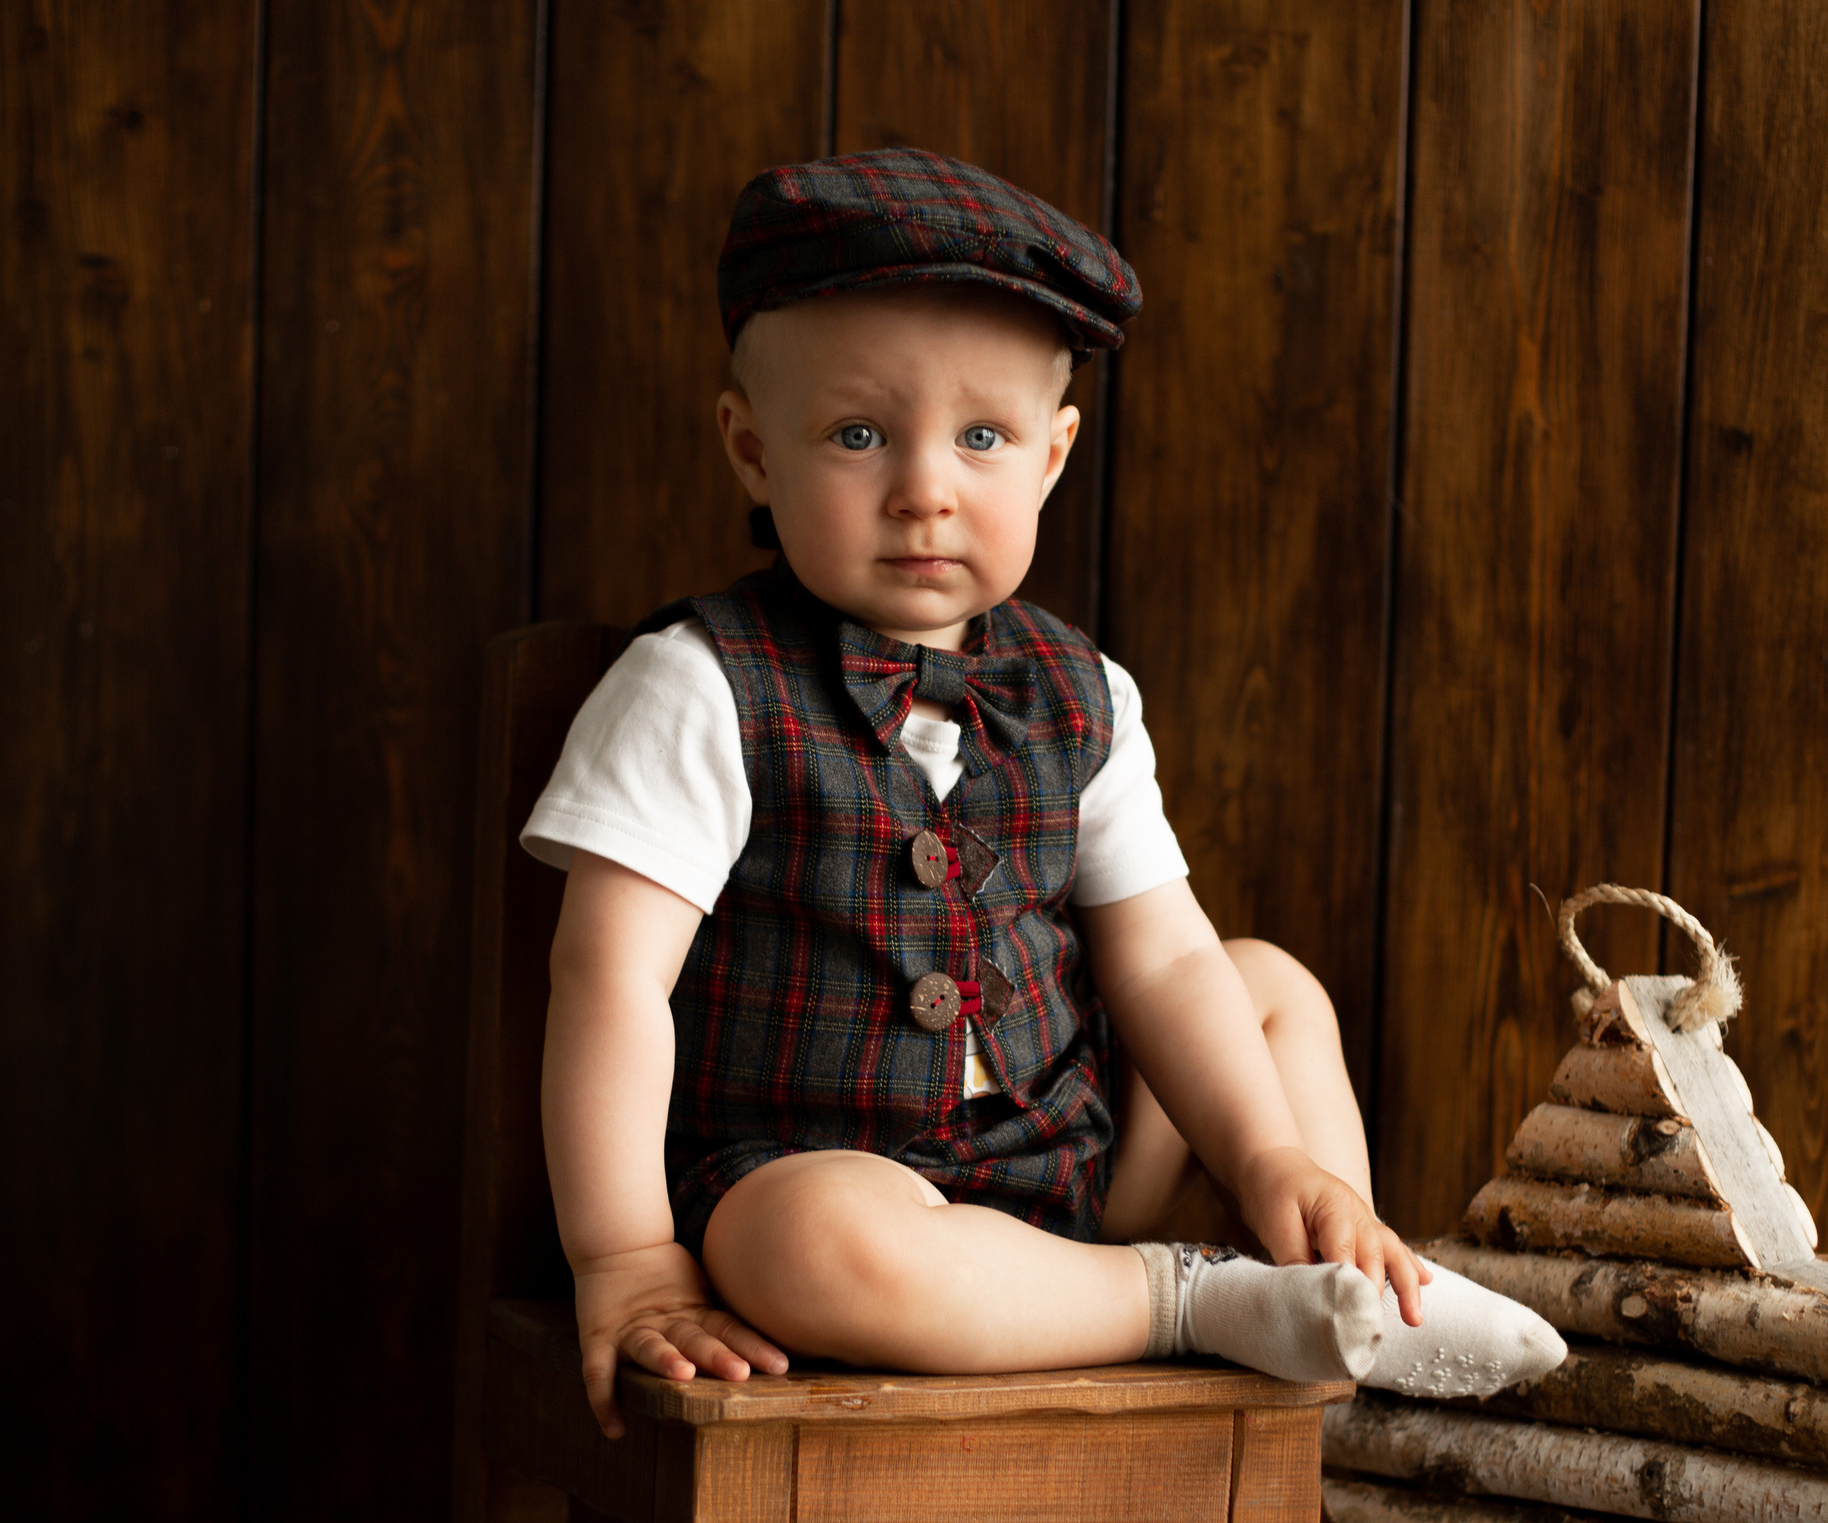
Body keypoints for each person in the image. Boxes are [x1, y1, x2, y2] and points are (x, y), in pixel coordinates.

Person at [523, 148, 1564, 1438]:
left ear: (1054, 455)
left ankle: (1344, 1279)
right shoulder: (697, 686)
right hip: (826, 1179)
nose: (924, 489)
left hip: (1063, 1153)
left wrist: (1267, 1158)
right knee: (815, 1242)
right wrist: (624, 1258)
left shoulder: (1083, 691)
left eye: (982, 437)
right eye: (858, 435)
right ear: (751, 449)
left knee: (1264, 984)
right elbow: (609, 981)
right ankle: (1192, 1300)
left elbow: (1164, 961)